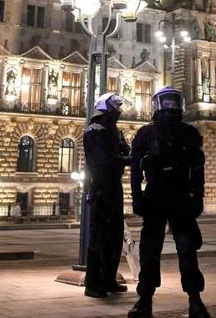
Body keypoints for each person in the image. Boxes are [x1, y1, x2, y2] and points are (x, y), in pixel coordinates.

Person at [128, 86, 209, 318]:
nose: (171, 107)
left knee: (188, 250)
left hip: (182, 197)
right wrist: (136, 196)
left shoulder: (190, 133)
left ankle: (195, 299)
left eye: (175, 103)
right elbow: (135, 169)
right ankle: (144, 299)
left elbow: (198, 169)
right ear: (158, 105)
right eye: (167, 103)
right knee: (149, 252)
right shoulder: (146, 133)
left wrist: (199, 196)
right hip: (155, 197)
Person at [83, 92, 130, 299]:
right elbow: (103, 161)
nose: (119, 112)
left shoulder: (115, 132)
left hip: (114, 185)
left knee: (115, 234)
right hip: (100, 185)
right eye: (116, 108)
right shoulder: (94, 131)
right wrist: (124, 159)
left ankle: (109, 279)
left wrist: (126, 157)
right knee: (99, 236)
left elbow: (125, 151)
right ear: (106, 109)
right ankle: (93, 283)